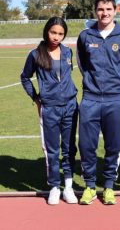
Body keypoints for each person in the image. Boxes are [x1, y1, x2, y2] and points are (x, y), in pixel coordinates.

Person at [77, 0, 120, 205]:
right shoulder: (85, 36)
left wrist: (119, 82)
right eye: (101, 9)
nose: (105, 13)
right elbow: (82, 64)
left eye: (109, 9)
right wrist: (91, 82)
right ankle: (90, 187)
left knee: (113, 145)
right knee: (86, 145)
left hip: (115, 99)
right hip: (90, 99)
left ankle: (109, 186)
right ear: (95, 11)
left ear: (115, 11)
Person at [20, 17, 78, 205]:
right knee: (52, 150)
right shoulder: (35, 54)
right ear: (46, 31)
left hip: (70, 106)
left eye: (61, 34)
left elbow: (68, 76)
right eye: (53, 32)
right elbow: (25, 77)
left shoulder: (68, 52)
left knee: (69, 148)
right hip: (49, 108)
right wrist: (36, 97)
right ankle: (54, 186)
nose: (56, 37)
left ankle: (68, 186)